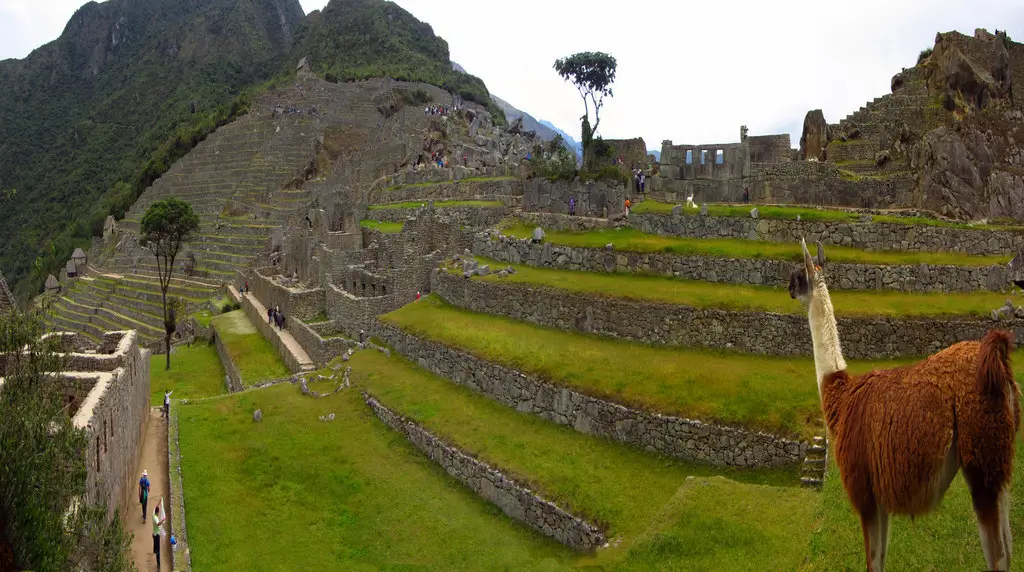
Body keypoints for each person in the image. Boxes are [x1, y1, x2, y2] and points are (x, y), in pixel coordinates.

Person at [153, 503, 166, 569]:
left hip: (154, 534)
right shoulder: (156, 519)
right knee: (158, 550)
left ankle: (155, 550)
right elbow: (158, 524)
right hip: (156, 535)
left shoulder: (153, 515)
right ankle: (158, 565)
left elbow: (155, 507)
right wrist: (163, 520)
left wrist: (159, 501)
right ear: (157, 512)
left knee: (156, 547)